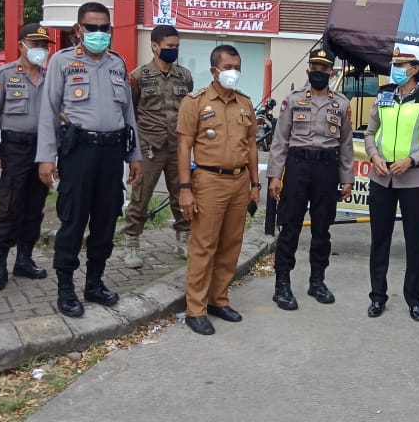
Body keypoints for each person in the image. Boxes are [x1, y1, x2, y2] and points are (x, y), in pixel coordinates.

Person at [36, 1, 142, 318]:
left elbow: (128, 114)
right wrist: (46, 157)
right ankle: (66, 288)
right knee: (74, 221)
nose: (99, 33)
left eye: (104, 28)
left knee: (106, 221)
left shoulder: (117, 64)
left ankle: (94, 283)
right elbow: (48, 111)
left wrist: (134, 155)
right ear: (79, 29)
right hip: (79, 151)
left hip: (112, 153)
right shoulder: (62, 61)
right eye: (92, 27)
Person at [176, 45, 261, 335]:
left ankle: (218, 300)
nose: (233, 72)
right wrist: (185, 188)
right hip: (209, 180)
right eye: (227, 67)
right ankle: (195, 309)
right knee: (204, 245)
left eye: (237, 68)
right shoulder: (195, 102)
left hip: (239, 181)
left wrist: (255, 184)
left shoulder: (245, 103)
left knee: (231, 244)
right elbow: (184, 146)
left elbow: (251, 145)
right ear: (214, 70)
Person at [364, 46, 419, 322]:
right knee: (379, 241)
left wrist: (412, 160)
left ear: (414, 69)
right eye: (394, 64)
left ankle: (414, 300)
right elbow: (370, 132)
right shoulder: (383, 95)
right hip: (381, 177)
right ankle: (377, 297)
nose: (395, 69)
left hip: (414, 180)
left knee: (413, 243)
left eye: (401, 65)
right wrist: (374, 156)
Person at [267, 48, 355, 310]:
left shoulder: (341, 104)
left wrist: (347, 178)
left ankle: (317, 281)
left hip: (326, 169)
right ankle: (282, 284)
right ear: (308, 70)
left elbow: (346, 144)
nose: (319, 72)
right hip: (297, 167)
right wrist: (275, 176)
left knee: (322, 229)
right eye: (314, 68)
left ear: (332, 72)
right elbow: (280, 141)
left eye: (324, 69)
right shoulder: (293, 100)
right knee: (289, 226)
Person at [0, 23, 54, 291]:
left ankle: (24, 260)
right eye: (35, 44)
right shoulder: (3, 75)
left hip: (43, 149)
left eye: (44, 45)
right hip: (14, 148)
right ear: (21, 46)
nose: (40, 49)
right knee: (10, 206)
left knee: (35, 206)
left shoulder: (51, 77)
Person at [120, 25, 194, 268]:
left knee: (181, 194)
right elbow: (130, 111)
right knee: (141, 197)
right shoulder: (139, 76)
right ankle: (132, 242)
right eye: (169, 46)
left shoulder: (184, 76)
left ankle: (183, 239)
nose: (174, 50)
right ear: (155, 46)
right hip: (149, 146)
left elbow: (188, 109)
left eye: (177, 46)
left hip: (178, 147)